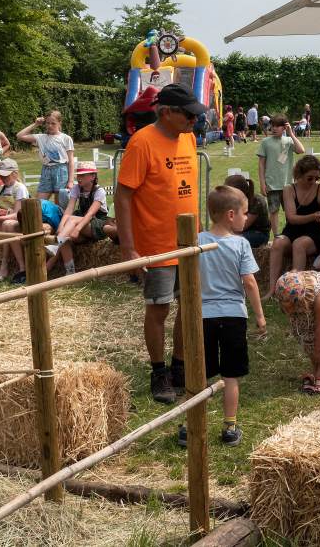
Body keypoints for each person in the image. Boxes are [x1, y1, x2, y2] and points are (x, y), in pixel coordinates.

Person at [115, 83, 206, 404]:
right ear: (166, 112)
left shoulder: (189, 138)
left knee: (188, 305)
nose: (194, 120)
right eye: (188, 115)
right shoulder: (142, 142)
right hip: (156, 245)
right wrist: (129, 248)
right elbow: (123, 195)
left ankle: (180, 365)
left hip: (188, 241)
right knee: (159, 308)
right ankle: (158, 371)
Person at [178, 186, 266, 448]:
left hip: (202, 317)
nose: (246, 218)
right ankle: (230, 427)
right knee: (230, 376)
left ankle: (188, 426)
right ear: (230, 215)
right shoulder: (241, 244)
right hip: (233, 317)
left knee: (199, 374)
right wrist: (260, 316)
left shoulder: (196, 241)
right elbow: (249, 282)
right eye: (244, 213)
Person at [266, 156, 320, 296]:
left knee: (299, 244)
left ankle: (296, 290)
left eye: (317, 178)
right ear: (299, 175)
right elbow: (291, 218)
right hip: (292, 230)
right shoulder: (289, 189)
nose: (313, 181)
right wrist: (313, 216)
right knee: (277, 243)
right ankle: (272, 289)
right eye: (310, 178)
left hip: (313, 233)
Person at [49, 161, 115, 275]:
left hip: (98, 225)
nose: (79, 178)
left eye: (83, 175)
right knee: (65, 238)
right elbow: (69, 209)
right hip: (82, 223)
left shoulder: (99, 191)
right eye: (78, 175)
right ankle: (70, 271)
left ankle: (55, 246)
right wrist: (60, 227)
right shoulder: (77, 188)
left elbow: (90, 214)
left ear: (93, 176)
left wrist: (77, 229)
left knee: (71, 220)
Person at [256, 115, 306, 238]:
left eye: (278, 126)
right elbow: (261, 164)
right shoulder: (265, 142)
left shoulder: (289, 141)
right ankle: (276, 236)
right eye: (273, 126)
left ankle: (290, 234)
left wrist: (291, 134)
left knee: (291, 212)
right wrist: (262, 183)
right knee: (273, 211)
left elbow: (301, 150)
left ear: (284, 127)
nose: (274, 128)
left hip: (288, 184)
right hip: (272, 184)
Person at [16, 109, 75, 201]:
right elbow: (19, 136)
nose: (50, 126)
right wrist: (35, 124)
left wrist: (70, 181)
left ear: (59, 123)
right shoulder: (40, 137)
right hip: (46, 171)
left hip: (61, 171)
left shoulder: (66, 138)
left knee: (60, 204)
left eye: (53, 123)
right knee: (39, 203)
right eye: (47, 123)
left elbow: (71, 161)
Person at [224, 174, 271, 249]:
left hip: (259, 234)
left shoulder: (257, 201)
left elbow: (242, 226)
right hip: (240, 231)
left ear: (239, 191)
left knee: (232, 241)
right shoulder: (233, 201)